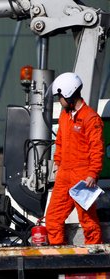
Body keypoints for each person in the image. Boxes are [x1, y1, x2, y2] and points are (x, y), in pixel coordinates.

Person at [44, 72, 104, 245]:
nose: (59, 100)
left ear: (69, 94)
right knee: (53, 219)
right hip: (64, 174)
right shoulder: (65, 115)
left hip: (83, 177)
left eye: (60, 97)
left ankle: (94, 257)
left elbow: (97, 148)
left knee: (88, 222)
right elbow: (60, 142)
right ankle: (58, 259)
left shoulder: (90, 118)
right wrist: (57, 163)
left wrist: (93, 173)